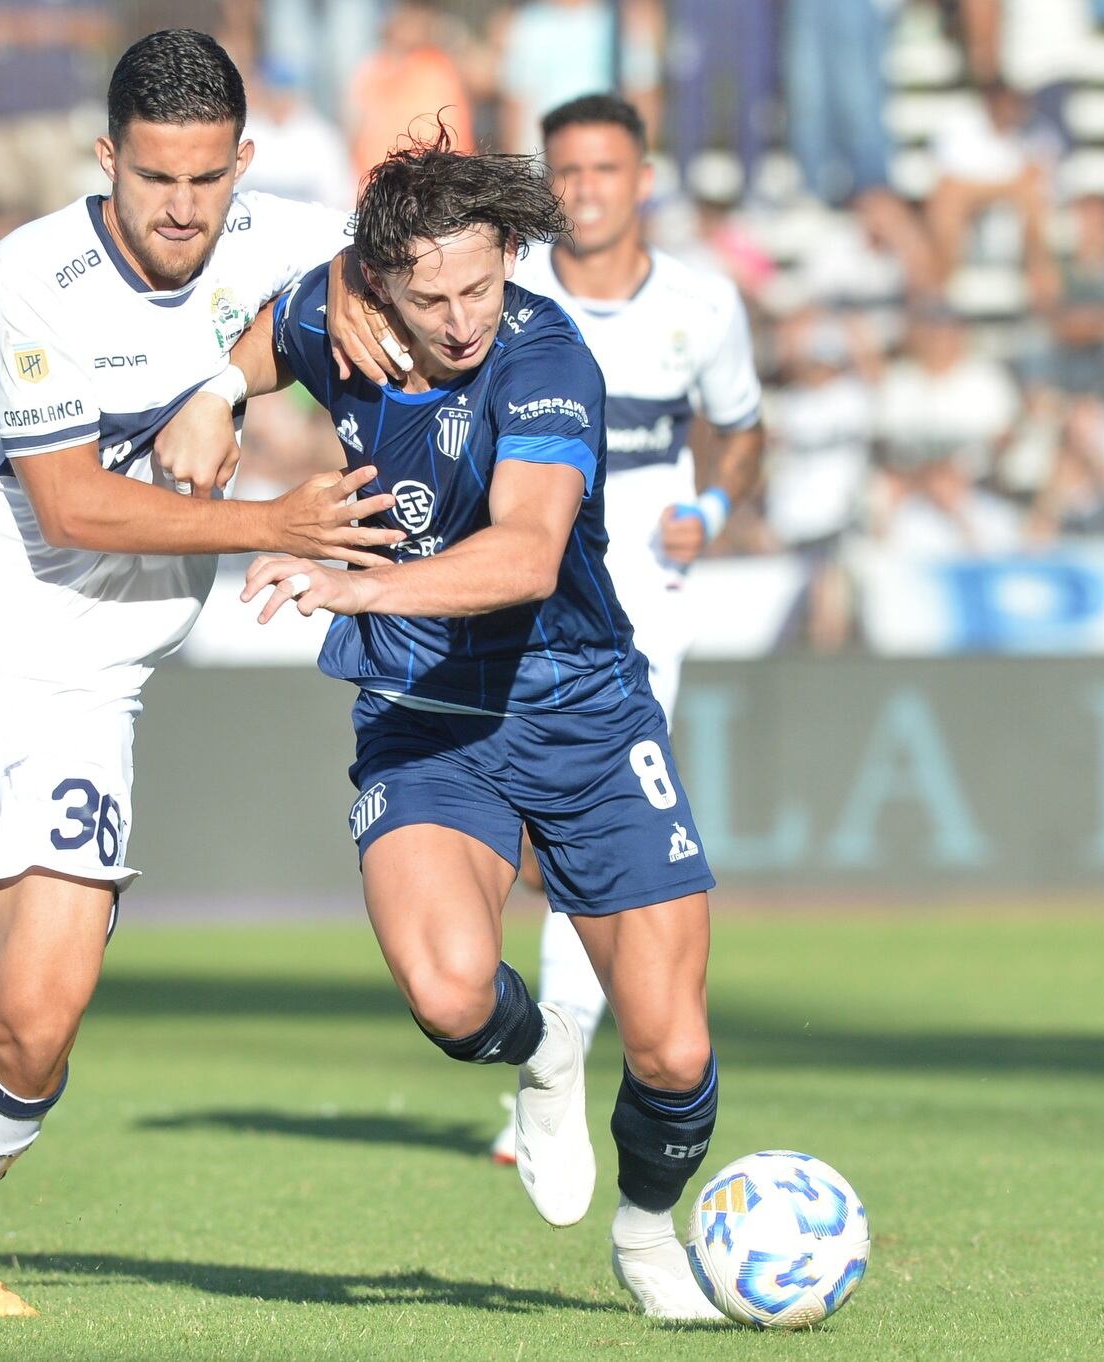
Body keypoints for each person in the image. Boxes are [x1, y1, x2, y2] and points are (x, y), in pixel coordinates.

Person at [0, 29, 407, 1317]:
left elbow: (398, 259)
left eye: (206, 182)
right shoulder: (28, 278)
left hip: (91, 684)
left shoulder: (271, 237)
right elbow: (74, 508)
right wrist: (275, 517)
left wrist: (262, 362)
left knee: (38, 1023)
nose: (183, 212)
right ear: (105, 161)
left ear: (241, 163)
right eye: (153, 182)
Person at [229, 134, 726, 1321]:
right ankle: (543, 1050)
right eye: (430, 295)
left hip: (582, 710)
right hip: (424, 718)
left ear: (509, 252)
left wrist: (358, 584)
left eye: (479, 285)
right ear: (378, 280)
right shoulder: (332, 313)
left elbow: (525, 552)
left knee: (671, 1054)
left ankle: (649, 1232)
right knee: (452, 995)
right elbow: (241, 342)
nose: (460, 319)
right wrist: (211, 394)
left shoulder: (544, 356)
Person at [485, 92, 761, 1166]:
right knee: (523, 831)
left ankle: (552, 1061)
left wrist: (716, 509)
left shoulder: (701, 306)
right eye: (567, 172)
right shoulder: (507, 302)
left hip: (642, 580)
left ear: (642, 180)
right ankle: (544, 1054)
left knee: (592, 818)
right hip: (529, 561)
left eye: (605, 170)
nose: (585, 191)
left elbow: (740, 429)